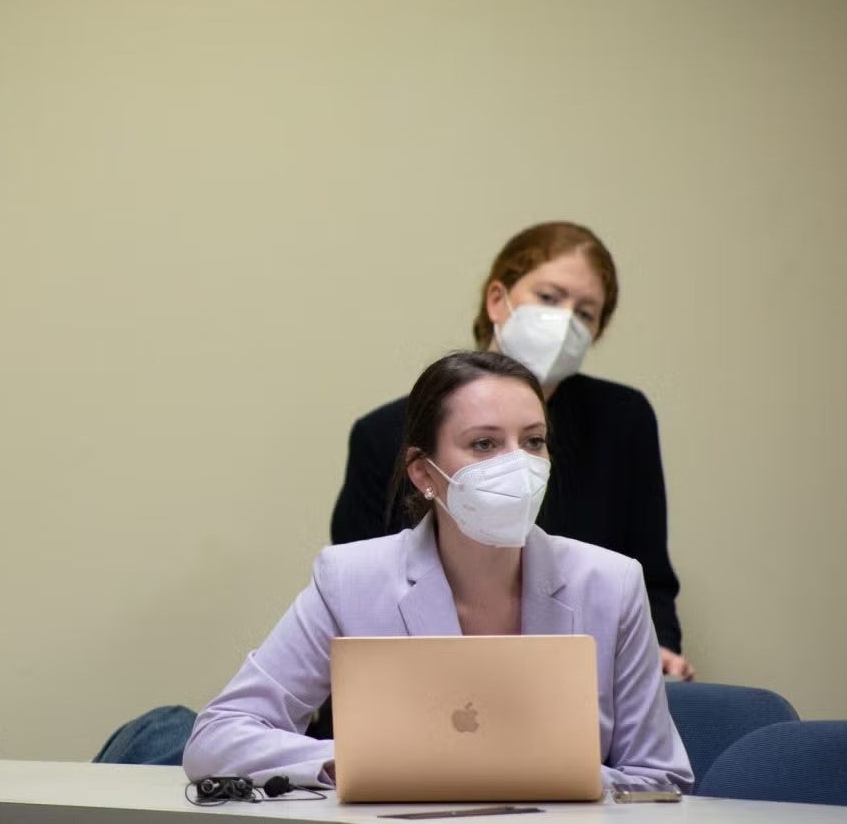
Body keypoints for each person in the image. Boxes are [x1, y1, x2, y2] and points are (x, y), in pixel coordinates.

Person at [185, 352, 692, 791]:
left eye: (534, 441)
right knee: (168, 731)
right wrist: (359, 762)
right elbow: (218, 737)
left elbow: (660, 779)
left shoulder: (612, 584)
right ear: (424, 473)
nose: (519, 465)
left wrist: (520, 776)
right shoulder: (350, 579)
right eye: (484, 444)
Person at [331, 222, 692, 679]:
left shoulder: (623, 418)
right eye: (549, 298)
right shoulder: (387, 433)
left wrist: (657, 646)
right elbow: (357, 599)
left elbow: (649, 575)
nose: (565, 323)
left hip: (577, 673)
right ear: (497, 300)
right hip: (420, 676)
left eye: (585, 313)